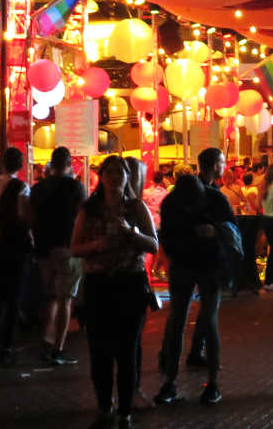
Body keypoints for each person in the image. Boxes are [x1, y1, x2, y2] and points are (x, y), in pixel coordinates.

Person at [70, 155, 158, 429]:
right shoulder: (90, 209)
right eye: (109, 172)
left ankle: (125, 411)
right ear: (101, 176)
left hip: (129, 284)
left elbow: (153, 244)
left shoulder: (136, 208)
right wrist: (98, 244)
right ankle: (105, 407)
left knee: (127, 350)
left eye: (120, 172)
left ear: (127, 177)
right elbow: (74, 248)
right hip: (99, 286)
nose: (114, 177)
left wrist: (132, 233)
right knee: (99, 351)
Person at [155, 148, 233, 408]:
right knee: (204, 320)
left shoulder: (173, 201)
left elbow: (165, 236)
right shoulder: (213, 198)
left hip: (189, 265)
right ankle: (210, 384)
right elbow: (232, 230)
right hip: (204, 265)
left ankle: (174, 380)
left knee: (181, 319)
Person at [30, 146, 86, 366]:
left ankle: (46, 340)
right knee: (66, 298)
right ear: (69, 163)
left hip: (43, 248)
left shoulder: (38, 188)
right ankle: (58, 347)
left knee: (51, 296)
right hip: (67, 246)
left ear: (51, 164)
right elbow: (84, 214)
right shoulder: (76, 187)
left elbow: (30, 216)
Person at [0, 176, 33, 365]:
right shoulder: (17, 217)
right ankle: (5, 347)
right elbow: (25, 239)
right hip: (14, 264)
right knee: (12, 304)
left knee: (1, 300)